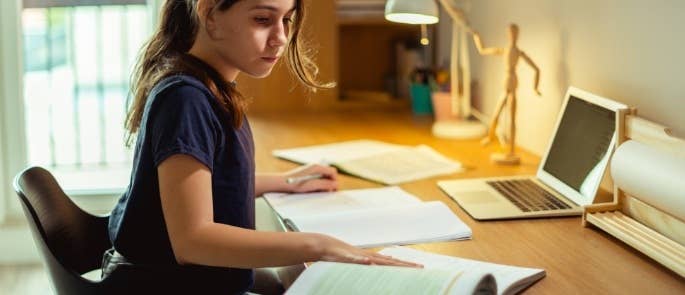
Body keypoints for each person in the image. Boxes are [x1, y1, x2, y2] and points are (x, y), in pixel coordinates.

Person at [104, 0, 419, 294]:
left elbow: (206, 185)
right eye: (262, 19)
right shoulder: (186, 100)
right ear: (210, 13)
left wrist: (288, 182)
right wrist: (318, 245)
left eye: (286, 20)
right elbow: (193, 241)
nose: (280, 38)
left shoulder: (209, 88)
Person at [473, 24, 541, 165]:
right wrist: (477, 38)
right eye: (510, 33)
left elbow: (536, 69)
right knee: (496, 114)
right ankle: (490, 137)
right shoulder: (504, 50)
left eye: (514, 33)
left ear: (517, 35)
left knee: (511, 117)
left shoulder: (519, 53)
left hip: (513, 83)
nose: (512, 35)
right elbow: (483, 50)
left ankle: (511, 149)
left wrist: (535, 88)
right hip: (506, 84)